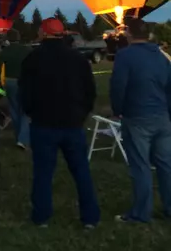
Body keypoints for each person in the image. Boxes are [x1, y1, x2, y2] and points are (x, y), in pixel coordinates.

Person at [19, 17, 100, 228]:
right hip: (73, 124)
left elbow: (24, 94)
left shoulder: (32, 59)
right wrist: (81, 114)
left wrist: (31, 113)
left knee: (43, 173)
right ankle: (90, 218)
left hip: (43, 124)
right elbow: (90, 92)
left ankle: (41, 217)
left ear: (43, 33)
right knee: (81, 171)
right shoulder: (79, 59)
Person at [110, 17, 171, 223]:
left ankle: (141, 213)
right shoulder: (161, 56)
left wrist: (118, 110)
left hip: (137, 117)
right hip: (162, 117)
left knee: (141, 165)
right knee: (166, 165)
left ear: (128, 33)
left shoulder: (125, 56)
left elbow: (119, 85)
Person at [0, 30, 32, 148]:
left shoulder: (4, 52)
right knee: (26, 111)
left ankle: (19, 137)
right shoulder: (27, 50)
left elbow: (0, 70)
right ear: (19, 37)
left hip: (9, 81)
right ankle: (22, 139)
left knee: (14, 109)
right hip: (24, 81)